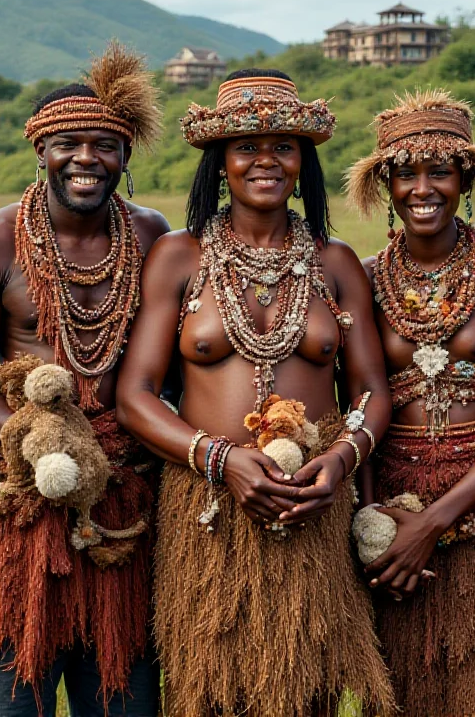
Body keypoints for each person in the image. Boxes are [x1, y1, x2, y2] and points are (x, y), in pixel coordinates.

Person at [115, 69, 395, 717]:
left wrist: (340, 462)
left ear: (304, 162)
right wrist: (222, 459)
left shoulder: (336, 261)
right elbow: (136, 395)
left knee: (308, 692)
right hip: (206, 507)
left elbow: (373, 391)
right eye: (247, 146)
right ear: (220, 162)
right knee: (209, 691)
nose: (266, 159)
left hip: (313, 509)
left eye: (284, 145)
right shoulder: (178, 256)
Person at [0, 43, 169, 716]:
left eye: (106, 144)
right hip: (21, 497)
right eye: (68, 143)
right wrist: (37, 438)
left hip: (127, 500)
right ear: (41, 150)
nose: (87, 158)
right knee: (15, 697)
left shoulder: (153, 236)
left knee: (125, 698)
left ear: (125, 155)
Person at [344, 89, 475, 716]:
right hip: (395, 510)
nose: (422, 188)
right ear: (386, 184)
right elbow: (359, 405)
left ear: (466, 176)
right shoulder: (367, 276)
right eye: (405, 173)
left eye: (439, 171)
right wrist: (376, 526)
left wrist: (436, 522)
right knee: (407, 689)